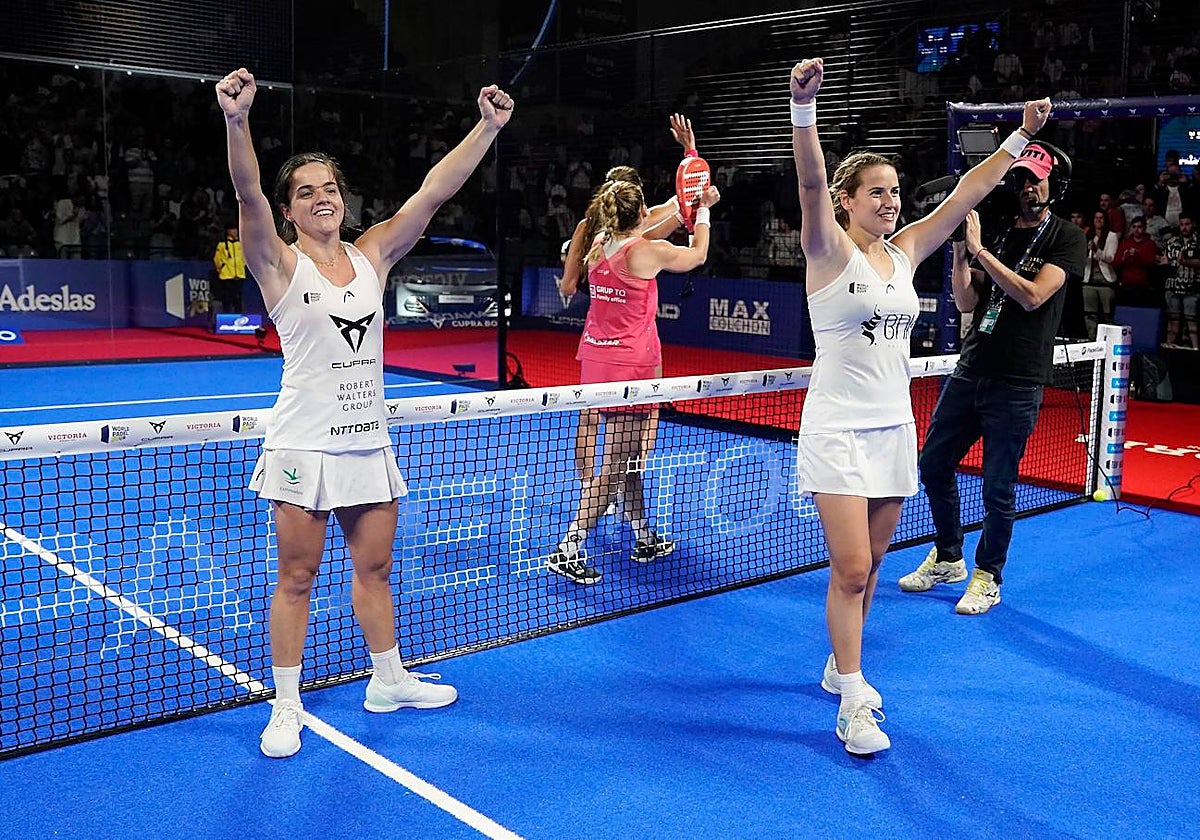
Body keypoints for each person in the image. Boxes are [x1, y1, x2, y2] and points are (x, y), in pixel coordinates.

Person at [216, 67, 513, 758]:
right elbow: (247, 192)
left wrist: (488, 127)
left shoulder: (373, 252)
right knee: (296, 578)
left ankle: (388, 679)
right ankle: (285, 706)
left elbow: (433, 191)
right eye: (306, 192)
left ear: (343, 199)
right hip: (303, 447)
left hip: (367, 442)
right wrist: (236, 121)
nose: (322, 198)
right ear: (291, 210)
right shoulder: (279, 265)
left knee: (375, 570)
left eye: (330, 188)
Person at [789, 56, 1053, 755]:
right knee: (848, 569)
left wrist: (1017, 139)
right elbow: (811, 179)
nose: (891, 202)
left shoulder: (904, 253)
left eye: (895, 192)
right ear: (848, 200)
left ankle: (839, 665)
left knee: (871, 567)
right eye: (876, 193)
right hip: (836, 428)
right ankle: (852, 701)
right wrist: (803, 109)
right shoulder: (826, 249)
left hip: (892, 430)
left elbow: (964, 196)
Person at [899, 143, 1086, 617]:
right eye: (1022, 178)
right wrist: (963, 251)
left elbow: (1031, 296)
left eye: (1037, 179)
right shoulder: (1000, 233)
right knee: (933, 465)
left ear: (1055, 184)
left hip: (1018, 380)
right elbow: (966, 302)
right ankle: (948, 557)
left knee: (997, 485)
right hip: (971, 369)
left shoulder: (1067, 237)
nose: (1028, 187)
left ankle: (988, 575)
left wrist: (981, 250)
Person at [547, 177, 720, 584]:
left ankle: (643, 533)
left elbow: (663, 213)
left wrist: (690, 174)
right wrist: (707, 209)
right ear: (641, 213)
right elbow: (698, 255)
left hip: (596, 359)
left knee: (628, 459)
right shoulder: (644, 251)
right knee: (615, 464)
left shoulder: (597, 244)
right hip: (630, 370)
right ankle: (569, 547)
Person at [558, 114, 700, 512]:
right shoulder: (646, 225)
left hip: (596, 341)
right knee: (638, 427)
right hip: (636, 346)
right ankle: (610, 498)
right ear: (636, 197)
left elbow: (570, 287)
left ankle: (594, 495)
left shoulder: (590, 229)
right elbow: (691, 201)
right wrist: (690, 152)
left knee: (590, 419)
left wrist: (581, 278)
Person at [211, 224, 247, 316]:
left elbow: (245, 258)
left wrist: (242, 266)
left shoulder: (241, 243)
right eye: (232, 230)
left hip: (239, 275)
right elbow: (217, 259)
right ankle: (228, 319)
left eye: (235, 229)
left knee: (238, 298)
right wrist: (222, 268)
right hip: (227, 276)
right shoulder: (222, 244)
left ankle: (239, 319)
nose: (234, 232)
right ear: (228, 231)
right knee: (227, 298)